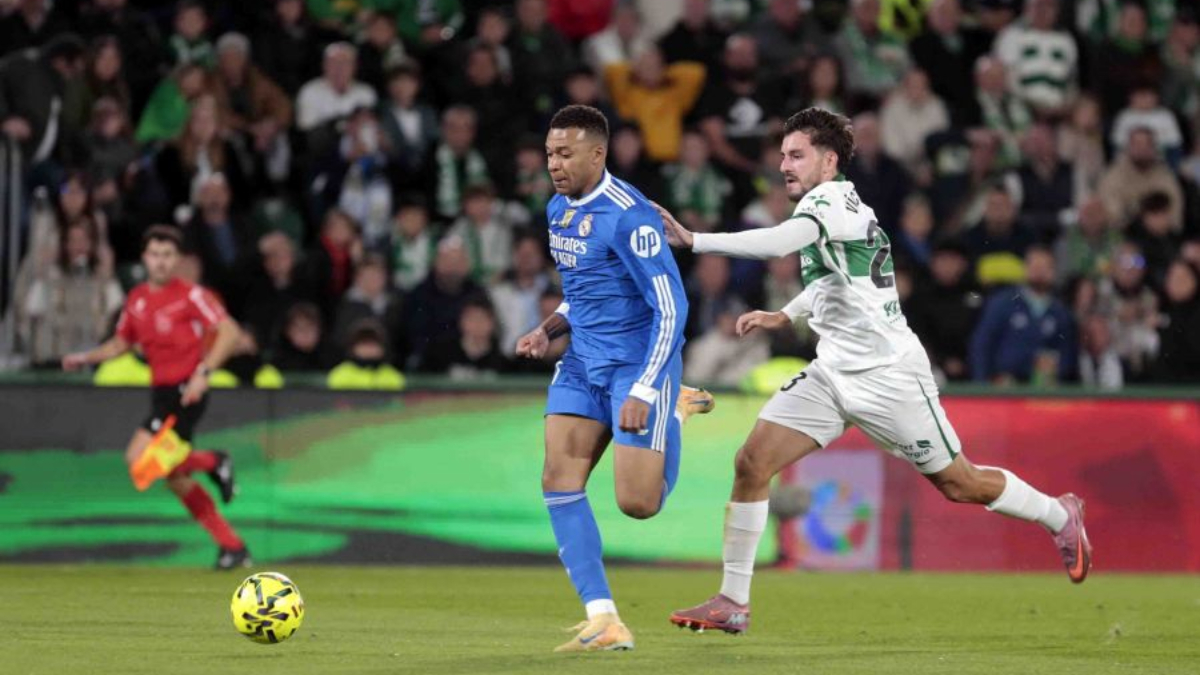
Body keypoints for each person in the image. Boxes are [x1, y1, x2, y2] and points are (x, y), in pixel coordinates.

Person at [655, 108, 1092, 635]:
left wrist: (696, 240)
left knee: (960, 483)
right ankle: (733, 601)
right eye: (783, 156)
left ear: (828, 161)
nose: (785, 165)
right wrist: (785, 314)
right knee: (752, 462)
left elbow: (778, 242)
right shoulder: (840, 208)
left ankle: (1059, 515)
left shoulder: (825, 202)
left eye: (797, 155)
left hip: (889, 377)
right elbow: (834, 283)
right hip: (833, 373)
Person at [514, 105, 712, 652]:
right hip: (583, 362)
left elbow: (672, 307)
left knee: (638, 503)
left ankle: (674, 409)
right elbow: (583, 293)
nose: (554, 164)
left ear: (597, 153)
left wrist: (648, 388)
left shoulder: (630, 217)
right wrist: (548, 329)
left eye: (565, 153)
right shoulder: (557, 208)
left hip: (637, 365)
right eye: (550, 153)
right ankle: (603, 618)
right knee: (558, 477)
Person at [60, 225, 251, 570]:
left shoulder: (191, 295)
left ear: (177, 260)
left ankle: (214, 461)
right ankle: (232, 547)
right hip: (161, 395)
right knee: (175, 478)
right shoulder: (137, 299)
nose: (161, 262)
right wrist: (85, 358)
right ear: (144, 258)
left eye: (167, 255)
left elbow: (230, 331)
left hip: (186, 391)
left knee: (139, 459)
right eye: (154, 254)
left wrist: (203, 373)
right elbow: (121, 343)